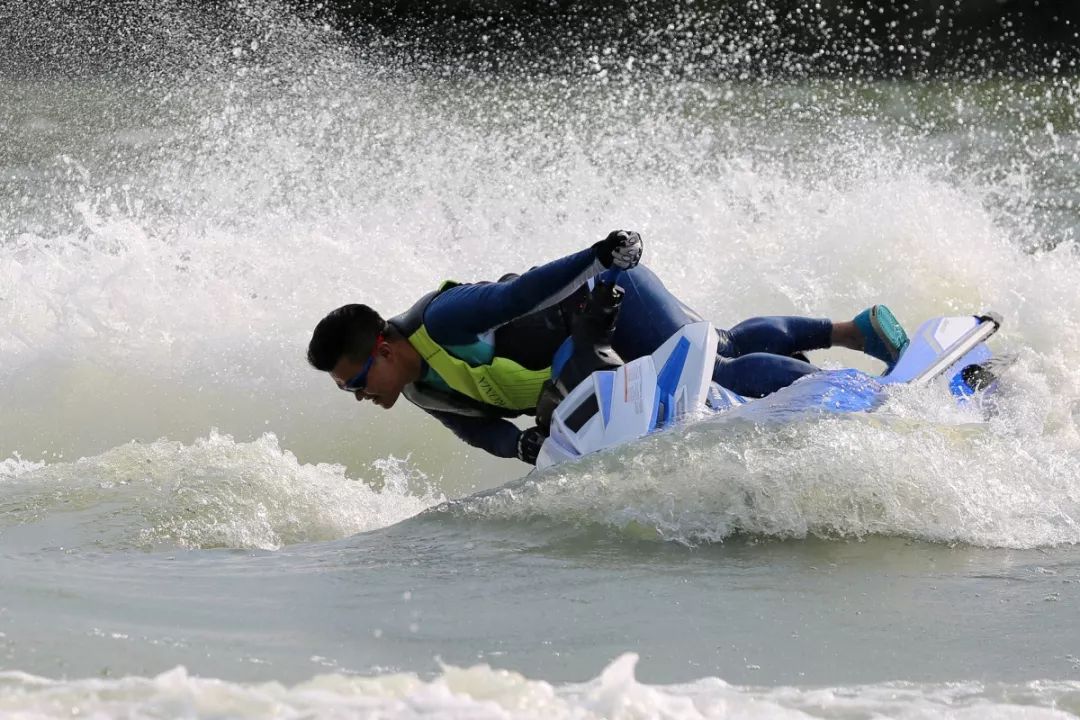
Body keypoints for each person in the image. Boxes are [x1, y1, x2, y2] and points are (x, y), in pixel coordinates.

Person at [307, 231, 909, 465]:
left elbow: (523, 291)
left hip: (608, 294)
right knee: (718, 343)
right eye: (348, 391)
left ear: (382, 348)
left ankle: (873, 388)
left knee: (716, 362)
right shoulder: (413, 386)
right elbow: (477, 429)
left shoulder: (443, 320)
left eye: (356, 382)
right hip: (585, 351)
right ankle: (855, 330)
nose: (359, 396)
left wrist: (597, 258)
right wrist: (522, 444)